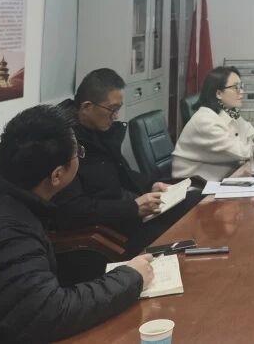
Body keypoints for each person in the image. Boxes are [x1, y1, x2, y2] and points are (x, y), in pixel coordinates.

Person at [0, 105, 155, 343]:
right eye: (78, 152)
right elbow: (51, 316)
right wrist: (130, 278)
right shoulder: (4, 233)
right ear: (57, 175)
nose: (80, 156)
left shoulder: (1, 191)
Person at [53, 69, 170, 236]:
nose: (116, 116)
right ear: (87, 107)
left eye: (118, 109)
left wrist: (150, 185)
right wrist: (133, 208)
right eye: (112, 109)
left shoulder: (100, 132)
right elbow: (74, 209)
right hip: (102, 231)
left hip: (122, 212)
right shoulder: (64, 143)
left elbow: (121, 172)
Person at [172, 66, 254, 180]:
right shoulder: (205, 121)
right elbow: (239, 151)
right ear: (219, 93)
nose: (242, 92)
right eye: (236, 88)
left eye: (241, 86)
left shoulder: (228, 112)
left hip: (225, 177)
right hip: (194, 187)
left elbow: (253, 135)